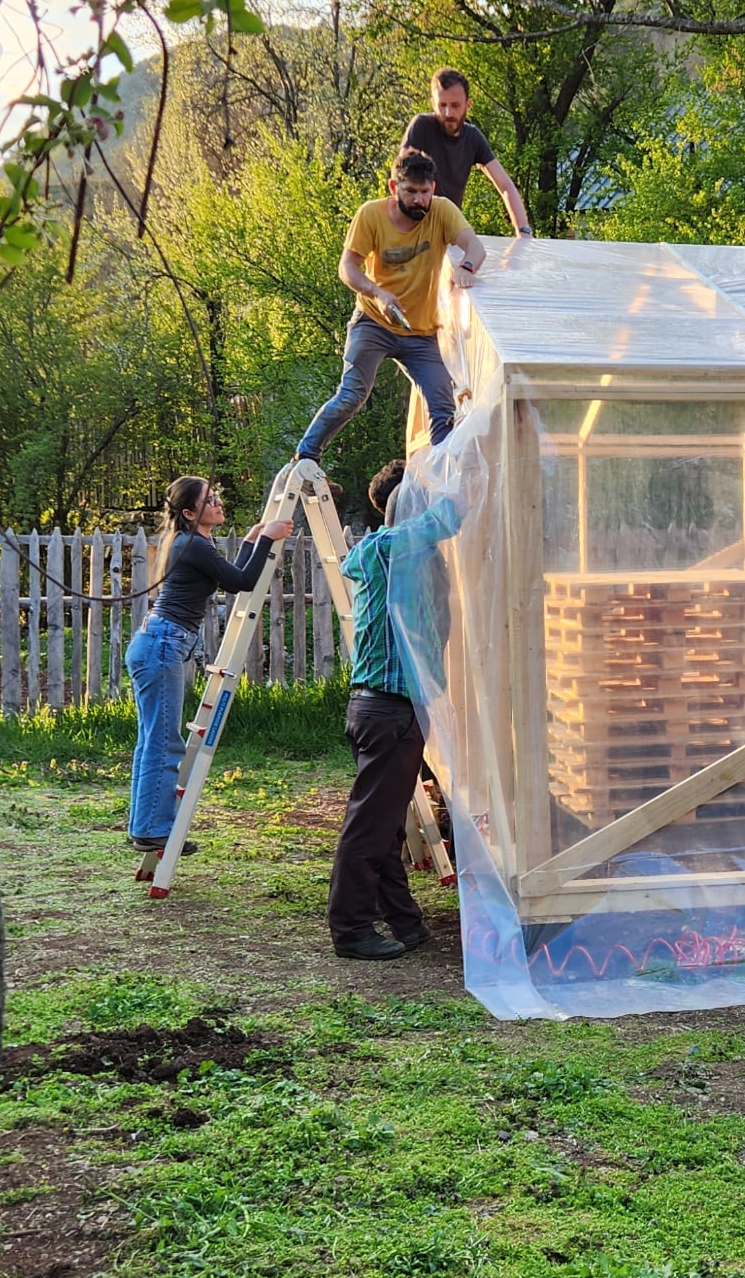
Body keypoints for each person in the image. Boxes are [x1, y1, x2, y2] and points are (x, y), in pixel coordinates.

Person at [329, 457, 464, 961]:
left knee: (383, 825)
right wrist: (465, 457)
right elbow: (451, 514)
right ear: (407, 505)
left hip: (382, 709)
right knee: (369, 827)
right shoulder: (389, 548)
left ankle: (404, 921)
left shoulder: (396, 555)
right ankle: (351, 929)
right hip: (388, 710)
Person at [126, 478, 293, 853]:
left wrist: (253, 540)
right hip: (162, 646)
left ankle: (144, 825)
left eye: (216, 496)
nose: (217, 502)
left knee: (152, 740)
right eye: (208, 500)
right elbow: (245, 581)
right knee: (164, 742)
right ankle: (152, 829)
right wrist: (267, 539)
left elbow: (233, 578)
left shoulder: (191, 542)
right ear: (189, 513)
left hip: (157, 643)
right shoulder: (192, 545)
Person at [295, 149, 488, 459]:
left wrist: (466, 268)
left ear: (433, 190)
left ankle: (443, 477)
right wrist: (378, 294)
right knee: (351, 395)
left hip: (422, 332)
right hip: (374, 322)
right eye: (411, 191)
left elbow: (475, 248)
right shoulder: (371, 215)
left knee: (444, 406)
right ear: (393, 188)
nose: (418, 200)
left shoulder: (442, 211)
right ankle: (306, 455)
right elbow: (347, 268)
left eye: (424, 192)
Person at [400, 67, 533, 234]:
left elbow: (505, 185)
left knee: (474, 253)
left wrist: (523, 230)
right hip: (412, 229)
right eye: (442, 105)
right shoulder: (421, 126)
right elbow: (399, 175)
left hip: (447, 230)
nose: (448, 113)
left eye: (455, 105)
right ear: (433, 104)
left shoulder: (473, 138)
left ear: (468, 105)